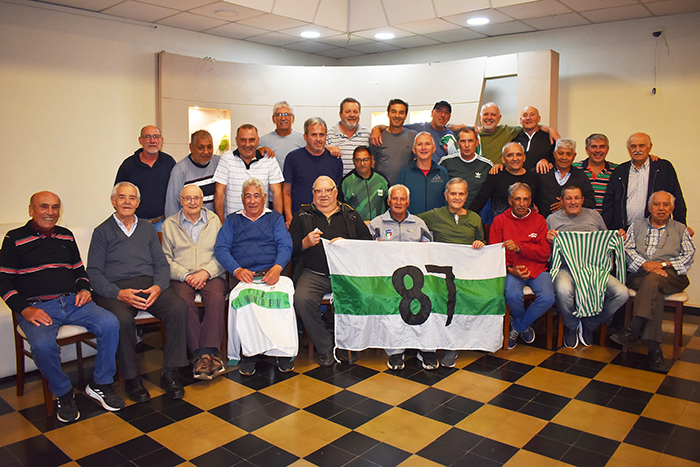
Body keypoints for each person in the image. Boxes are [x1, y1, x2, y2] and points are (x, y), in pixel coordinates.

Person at [0, 192, 124, 423]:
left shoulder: (66, 236)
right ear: (31, 210)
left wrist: (85, 290)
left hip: (72, 301)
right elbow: (3, 280)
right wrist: (24, 310)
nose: (50, 212)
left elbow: (79, 270)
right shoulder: (14, 239)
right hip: (36, 307)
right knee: (41, 344)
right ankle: (63, 393)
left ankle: (101, 384)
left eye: (55, 207)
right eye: (44, 207)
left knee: (110, 323)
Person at [88, 182, 188, 403]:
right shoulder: (101, 232)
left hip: (149, 285)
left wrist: (157, 287)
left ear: (138, 202)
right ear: (113, 201)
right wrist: (118, 293)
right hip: (116, 290)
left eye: (132, 198)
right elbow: (93, 273)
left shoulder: (147, 230)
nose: (127, 202)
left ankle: (170, 373)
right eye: (122, 197)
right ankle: (132, 379)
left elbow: (162, 265)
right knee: (121, 319)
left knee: (179, 308)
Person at [288, 176, 373, 366]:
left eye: (328, 190)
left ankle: (348, 343)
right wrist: (304, 243)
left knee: (364, 296)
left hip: (345, 274)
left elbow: (367, 243)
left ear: (336, 192)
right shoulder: (302, 215)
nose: (324, 195)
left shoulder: (350, 214)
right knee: (301, 299)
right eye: (319, 191)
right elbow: (288, 247)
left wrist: (348, 245)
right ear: (313, 194)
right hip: (314, 273)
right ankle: (326, 346)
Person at [215, 178, 295, 375]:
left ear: (265, 198)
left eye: (256, 196)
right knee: (247, 300)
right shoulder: (232, 220)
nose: (252, 201)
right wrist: (236, 270)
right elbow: (221, 249)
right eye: (248, 196)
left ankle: (282, 351)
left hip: (272, 274)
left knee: (282, 298)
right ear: (242, 199)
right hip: (244, 276)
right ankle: (249, 354)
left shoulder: (275, 218)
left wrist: (277, 268)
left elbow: (285, 245)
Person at [611, 191, 695, 373]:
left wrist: (663, 264)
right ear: (650, 207)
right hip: (641, 274)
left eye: (666, 205)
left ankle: (634, 328)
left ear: (672, 208)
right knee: (653, 289)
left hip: (672, 276)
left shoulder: (681, 229)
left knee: (653, 281)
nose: (661, 208)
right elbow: (627, 250)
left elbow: (688, 257)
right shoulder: (636, 225)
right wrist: (647, 265)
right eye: (657, 204)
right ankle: (654, 349)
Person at [546, 185, 629, 348]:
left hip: (595, 269)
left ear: (583, 200)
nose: (573, 202)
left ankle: (589, 324)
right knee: (563, 291)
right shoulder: (551, 219)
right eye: (568, 198)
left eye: (577, 198)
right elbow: (546, 253)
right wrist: (548, 239)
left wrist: (618, 236)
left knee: (622, 293)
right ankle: (571, 326)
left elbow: (606, 240)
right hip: (566, 268)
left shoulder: (595, 216)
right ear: (561, 201)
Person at [161, 184, 227, 380]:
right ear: (180, 200)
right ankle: (204, 355)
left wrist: (206, 272)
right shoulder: (169, 225)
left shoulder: (214, 220)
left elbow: (222, 253)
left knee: (216, 297)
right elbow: (165, 259)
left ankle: (207, 353)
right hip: (182, 277)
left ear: (202, 200)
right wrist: (185, 275)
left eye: (196, 198)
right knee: (181, 301)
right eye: (187, 198)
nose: (192, 202)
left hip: (211, 274)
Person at [419, 177, 485, 367]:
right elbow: (411, 222)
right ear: (446, 196)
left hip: (466, 272)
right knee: (435, 296)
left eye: (461, 193)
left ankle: (452, 346)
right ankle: (429, 346)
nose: (457, 197)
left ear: (466, 196)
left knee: (461, 299)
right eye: (453, 193)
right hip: (440, 273)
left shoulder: (474, 218)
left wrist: (480, 244)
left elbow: (483, 244)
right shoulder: (435, 215)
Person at [368, 184, 435, 370]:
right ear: (388, 201)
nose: (398, 202)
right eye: (394, 199)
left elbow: (430, 251)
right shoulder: (376, 224)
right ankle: (396, 351)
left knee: (429, 298)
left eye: (402, 199)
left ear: (408, 202)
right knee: (391, 298)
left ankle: (426, 348)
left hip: (416, 279)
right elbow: (365, 255)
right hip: (387, 279)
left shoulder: (419, 224)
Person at [489, 182, 554, 349]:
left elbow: (544, 253)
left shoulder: (539, 220)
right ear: (510, 200)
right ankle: (524, 326)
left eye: (526, 199)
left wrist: (520, 248)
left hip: (538, 269)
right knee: (511, 296)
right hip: (512, 270)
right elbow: (494, 253)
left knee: (547, 298)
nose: (522, 203)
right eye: (517, 199)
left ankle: (517, 327)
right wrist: (510, 269)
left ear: (530, 200)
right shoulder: (499, 221)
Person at [602, 132, 687, 231]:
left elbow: (677, 199)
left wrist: (681, 229)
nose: (637, 150)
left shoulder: (663, 168)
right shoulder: (620, 171)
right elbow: (609, 203)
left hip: (656, 231)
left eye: (641, 146)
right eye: (633, 146)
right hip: (624, 231)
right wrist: (607, 230)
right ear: (628, 149)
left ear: (650, 147)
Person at [213, 124, 284, 222]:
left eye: (251, 140)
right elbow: (219, 192)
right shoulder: (227, 158)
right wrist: (221, 223)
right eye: (243, 140)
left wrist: (277, 223)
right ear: (236, 140)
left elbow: (277, 193)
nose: (247, 144)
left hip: (262, 223)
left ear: (258, 140)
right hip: (233, 224)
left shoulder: (269, 159)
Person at [283, 117, 344, 224]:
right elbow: (286, 191)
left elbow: (336, 192)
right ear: (305, 137)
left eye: (322, 135)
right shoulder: (293, 158)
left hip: (328, 220)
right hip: (300, 218)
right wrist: (289, 217)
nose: (318, 139)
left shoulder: (335, 160)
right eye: (314, 135)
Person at [115, 125, 176, 231]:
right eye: (147, 136)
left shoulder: (169, 162)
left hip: (163, 224)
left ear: (161, 140)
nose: (152, 140)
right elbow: (118, 196)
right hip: (136, 224)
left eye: (156, 137)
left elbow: (176, 192)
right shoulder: (128, 165)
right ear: (140, 140)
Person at [469, 142, 540, 219]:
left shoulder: (533, 177)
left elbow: (539, 203)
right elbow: (481, 199)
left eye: (519, 154)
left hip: (527, 226)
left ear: (524, 157)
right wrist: (466, 217)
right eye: (510, 155)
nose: (515, 158)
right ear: (503, 159)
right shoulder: (495, 175)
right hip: (500, 227)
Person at [370, 101, 457, 163]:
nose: (442, 115)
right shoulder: (417, 128)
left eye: (446, 112)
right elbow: (396, 126)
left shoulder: (450, 136)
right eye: (439, 111)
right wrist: (376, 128)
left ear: (449, 116)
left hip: (438, 177)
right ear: (432, 113)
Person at [477, 103, 559, 166]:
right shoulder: (474, 135)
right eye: (485, 114)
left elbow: (531, 126)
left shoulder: (509, 132)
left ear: (499, 118)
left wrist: (551, 130)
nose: (489, 117)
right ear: (480, 117)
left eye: (493, 114)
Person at [164, 130, 220, 218]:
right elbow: (172, 205)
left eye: (209, 147)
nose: (206, 152)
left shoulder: (219, 163)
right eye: (201, 147)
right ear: (191, 147)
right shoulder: (180, 170)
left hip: (213, 224)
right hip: (188, 225)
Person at [534, 138, 596, 218]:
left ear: (574, 156)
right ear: (554, 154)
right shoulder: (542, 172)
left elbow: (591, 202)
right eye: (561, 153)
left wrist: (568, 204)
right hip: (544, 224)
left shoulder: (581, 176)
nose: (564, 157)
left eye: (568, 154)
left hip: (572, 224)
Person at [439, 126, 493, 209]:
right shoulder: (446, 162)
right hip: (449, 215)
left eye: (470, 141)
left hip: (476, 216)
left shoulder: (487, 166)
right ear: (457, 144)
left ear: (477, 142)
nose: (467, 145)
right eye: (463, 141)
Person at [395, 132, 449, 215]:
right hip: (412, 223)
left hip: (437, 224)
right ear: (414, 150)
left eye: (427, 144)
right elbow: (397, 200)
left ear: (434, 149)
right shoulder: (405, 172)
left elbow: (447, 200)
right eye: (419, 144)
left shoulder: (442, 172)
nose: (423, 148)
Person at [369, 99, 417, 184]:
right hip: (381, 189)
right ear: (388, 114)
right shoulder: (377, 137)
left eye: (401, 112)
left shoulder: (413, 136)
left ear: (405, 116)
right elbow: (372, 163)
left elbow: (417, 162)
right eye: (394, 112)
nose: (397, 116)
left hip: (405, 189)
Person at [339, 146, 389, 222]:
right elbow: (340, 208)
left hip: (379, 227)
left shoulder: (381, 179)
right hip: (355, 228)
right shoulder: (346, 182)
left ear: (371, 159)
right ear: (353, 161)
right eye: (358, 160)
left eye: (365, 160)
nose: (362, 163)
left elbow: (389, 204)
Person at [572, 133, 618, 212]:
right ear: (587, 150)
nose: (598, 150)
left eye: (602, 147)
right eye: (594, 147)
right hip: (580, 221)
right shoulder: (575, 168)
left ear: (607, 149)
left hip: (607, 221)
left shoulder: (616, 170)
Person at [325, 97, 370, 175]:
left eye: (355, 112)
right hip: (337, 185)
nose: (352, 115)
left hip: (362, 184)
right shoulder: (328, 135)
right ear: (340, 114)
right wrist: (325, 148)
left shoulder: (368, 135)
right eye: (348, 112)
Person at [259, 101, 306, 173]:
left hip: (296, 183)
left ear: (292, 118)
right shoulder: (263, 141)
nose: (283, 118)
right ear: (273, 119)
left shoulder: (303, 139)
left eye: (286, 114)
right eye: (279, 115)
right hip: (272, 183)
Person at [512, 106, 555, 172]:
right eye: (525, 115)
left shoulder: (549, 138)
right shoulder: (515, 139)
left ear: (539, 119)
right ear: (520, 120)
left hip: (542, 179)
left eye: (532, 115)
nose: (528, 118)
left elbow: (558, 159)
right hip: (520, 179)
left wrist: (547, 160)